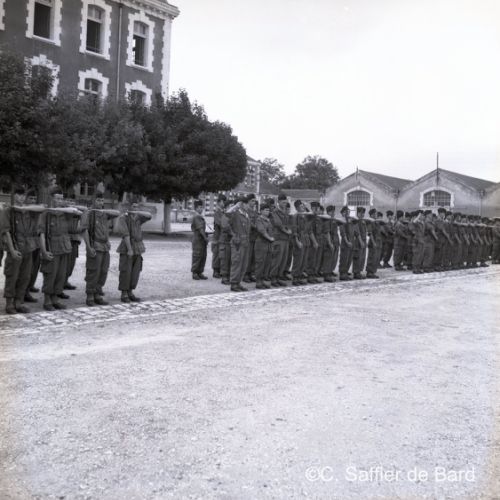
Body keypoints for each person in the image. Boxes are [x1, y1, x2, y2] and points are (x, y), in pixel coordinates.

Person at [1, 188, 45, 314]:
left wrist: (24, 208)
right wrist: (12, 250)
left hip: (28, 248)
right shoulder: (8, 211)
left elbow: (43, 208)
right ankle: (9, 304)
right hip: (15, 248)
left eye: (23, 195)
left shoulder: (28, 211)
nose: (21, 198)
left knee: (25, 277)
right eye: (19, 195)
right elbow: (6, 232)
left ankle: (18, 302)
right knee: (12, 276)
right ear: (14, 196)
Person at [38, 188, 80, 311]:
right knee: (50, 274)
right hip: (52, 247)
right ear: (51, 199)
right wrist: (44, 251)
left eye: (61, 199)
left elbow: (79, 212)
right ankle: (47, 301)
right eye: (57, 198)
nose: (59, 201)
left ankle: (55, 299)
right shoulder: (46, 213)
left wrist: (64, 207)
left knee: (61, 275)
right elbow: (41, 233)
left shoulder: (65, 213)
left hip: (64, 248)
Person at [80, 189, 120, 306]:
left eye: (102, 200)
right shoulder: (89, 214)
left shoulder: (104, 214)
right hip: (95, 245)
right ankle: (90, 295)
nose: (100, 202)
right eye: (98, 200)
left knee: (103, 271)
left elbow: (117, 213)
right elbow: (84, 231)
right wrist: (88, 247)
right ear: (93, 201)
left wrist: (103, 210)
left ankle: (97, 293)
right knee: (93, 271)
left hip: (105, 246)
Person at [115, 195, 152, 303]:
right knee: (126, 271)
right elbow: (125, 234)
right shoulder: (123, 218)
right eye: (133, 206)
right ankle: (124, 293)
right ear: (129, 207)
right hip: (127, 247)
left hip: (138, 247)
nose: (135, 208)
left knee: (135, 271)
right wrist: (129, 249)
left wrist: (137, 212)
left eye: (137, 206)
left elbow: (149, 216)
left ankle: (130, 292)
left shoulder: (138, 218)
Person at [228, 196, 250, 292]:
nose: (248, 206)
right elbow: (226, 216)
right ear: (242, 204)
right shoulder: (235, 214)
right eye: (247, 204)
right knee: (237, 263)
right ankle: (233, 283)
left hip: (245, 242)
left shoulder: (246, 215)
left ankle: (238, 282)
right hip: (237, 242)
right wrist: (235, 206)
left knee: (243, 264)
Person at [270, 194, 291, 287]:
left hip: (285, 239)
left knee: (283, 260)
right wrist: (287, 231)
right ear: (278, 202)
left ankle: (279, 277)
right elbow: (278, 223)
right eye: (283, 202)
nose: (284, 204)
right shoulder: (275, 212)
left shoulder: (285, 212)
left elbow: (289, 223)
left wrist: (289, 229)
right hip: (278, 239)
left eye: (285, 202)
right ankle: (273, 278)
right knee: (277, 260)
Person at [25, 188, 42, 300]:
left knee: (35, 267)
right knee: (27, 269)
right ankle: (25, 292)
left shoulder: (36, 210)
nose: (33, 201)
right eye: (30, 198)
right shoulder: (23, 210)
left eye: (34, 199)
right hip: (27, 242)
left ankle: (30, 286)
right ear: (26, 199)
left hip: (36, 242)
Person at [254, 203, 274, 289]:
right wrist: (270, 238)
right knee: (260, 263)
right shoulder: (259, 220)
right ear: (261, 211)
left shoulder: (268, 220)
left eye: (268, 210)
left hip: (268, 244)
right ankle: (258, 282)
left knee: (266, 263)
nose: (268, 212)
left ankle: (262, 280)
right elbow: (262, 231)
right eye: (266, 210)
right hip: (261, 244)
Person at [290, 200, 310, 286]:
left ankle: (300, 276)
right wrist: (297, 241)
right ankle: (295, 277)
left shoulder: (305, 216)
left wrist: (306, 208)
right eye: (301, 206)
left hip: (306, 239)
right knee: (298, 259)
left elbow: (311, 215)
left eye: (303, 206)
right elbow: (294, 230)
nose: (303, 207)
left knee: (304, 260)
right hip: (299, 239)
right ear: (297, 208)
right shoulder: (295, 216)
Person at [191, 200, 209, 280]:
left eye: (202, 207)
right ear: (196, 208)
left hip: (201, 240)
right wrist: (205, 238)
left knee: (203, 256)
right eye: (200, 207)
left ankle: (200, 272)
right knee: (197, 256)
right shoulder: (196, 217)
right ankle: (195, 272)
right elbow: (201, 229)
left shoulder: (200, 216)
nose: (201, 209)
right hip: (198, 239)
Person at [243, 194, 258, 283]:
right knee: (248, 257)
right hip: (248, 236)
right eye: (252, 201)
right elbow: (248, 222)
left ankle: (251, 273)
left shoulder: (255, 212)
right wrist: (256, 226)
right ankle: (245, 274)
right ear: (248, 201)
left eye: (254, 201)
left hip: (254, 237)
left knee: (253, 257)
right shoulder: (246, 211)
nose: (254, 202)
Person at [219, 199, 233, 285]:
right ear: (226, 208)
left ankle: (228, 276)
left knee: (230, 259)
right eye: (230, 206)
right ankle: (224, 277)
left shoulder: (232, 217)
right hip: (225, 241)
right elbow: (226, 228)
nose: (232, 208)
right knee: (225, 259)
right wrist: (234, 234)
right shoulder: (225, 217)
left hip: (230, 241)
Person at [211, 194, 226, 278]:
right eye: (223, 202)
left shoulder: (222, 212)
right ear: (219, 202)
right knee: (216, 254)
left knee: (220, 254)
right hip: (217, 237)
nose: (224, 203)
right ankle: (215, 271)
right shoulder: (217, 212)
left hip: (221, 237)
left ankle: (218, 270)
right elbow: (220, 223)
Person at [338, 205, 353, 280]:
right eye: (345, 212)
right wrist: (347, 242)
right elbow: (343, 233)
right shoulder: (342, 221)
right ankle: (342, 274)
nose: (347, 213)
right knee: (344, 258)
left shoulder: (349, 221)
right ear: (342, 213)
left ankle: (346, 271)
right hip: (345, 243)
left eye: (348, 212)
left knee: (349, 258)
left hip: (350, 242)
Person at [352, 206, 367, 279]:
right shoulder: (356, 221)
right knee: (357, 257)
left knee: (362, 257)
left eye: (363, 213)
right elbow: (357, 233)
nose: (362, 215)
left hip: (363, 241)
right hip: (357, 242)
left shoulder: (363, 221)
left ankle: (359, 271)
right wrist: (361, 241)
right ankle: (356, 272)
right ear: (357, 213)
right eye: (360, 213)